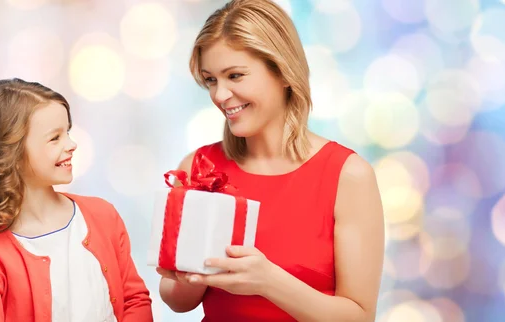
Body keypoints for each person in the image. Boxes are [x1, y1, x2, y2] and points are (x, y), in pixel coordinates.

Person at [156, 0, 385, 321]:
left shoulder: (348, 176)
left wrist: (267, 281)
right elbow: (177, 301)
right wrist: (193, 276)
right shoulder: (198, 166)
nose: (220, 95)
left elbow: (359, 316)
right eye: (211, 80)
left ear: (283, 72)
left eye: (235, 75)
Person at [0, 78, 153, 322]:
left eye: (67, 132)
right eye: (54, 138)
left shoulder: (102, 215)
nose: (72, 144)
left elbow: (135, 300)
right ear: (8, 153)